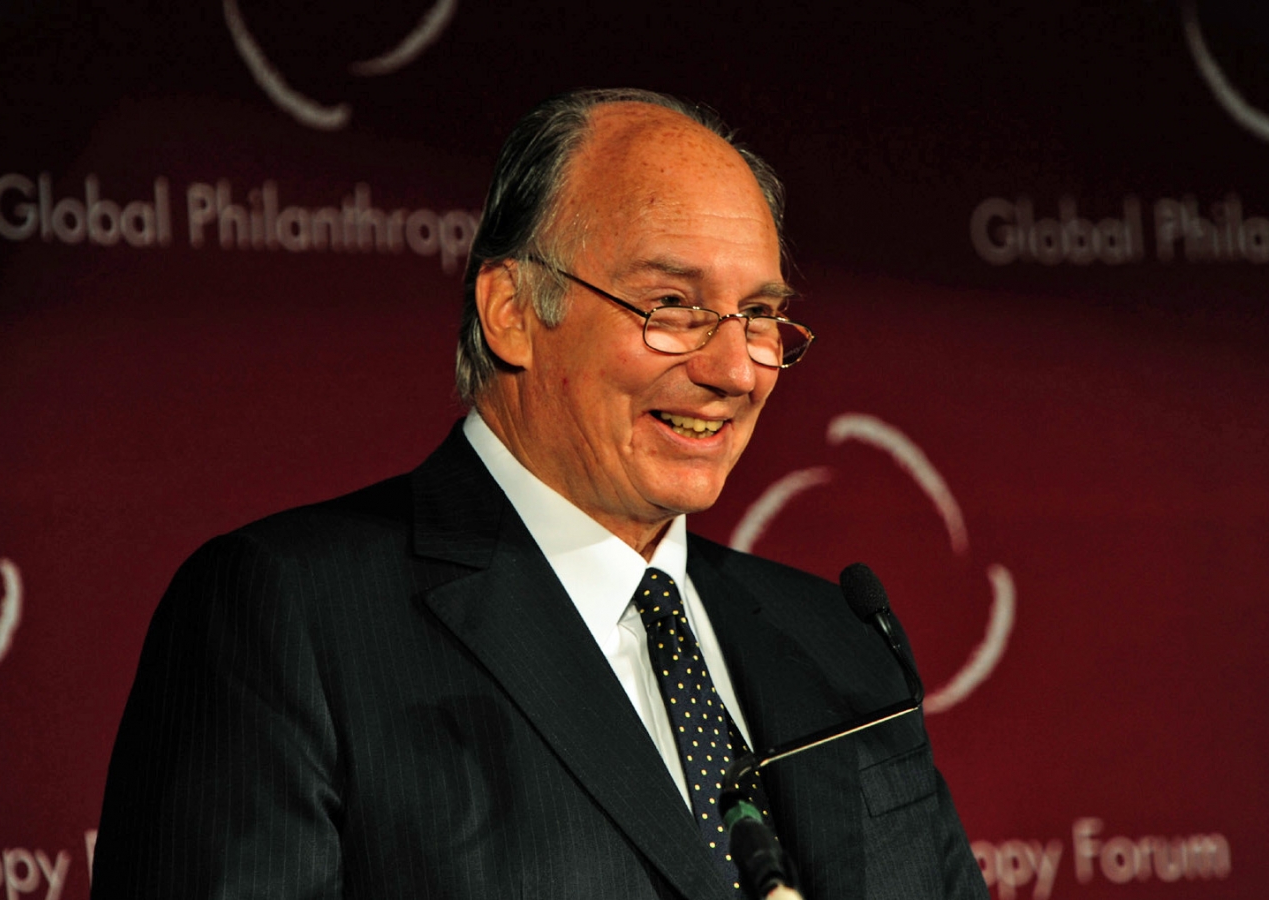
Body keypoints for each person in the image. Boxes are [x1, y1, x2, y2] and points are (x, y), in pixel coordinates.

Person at [92, 88, 987, 900]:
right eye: (672, 305)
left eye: (759, 316)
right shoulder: (287, 618)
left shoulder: (840, 648)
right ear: (513, 311)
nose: (732, 370)